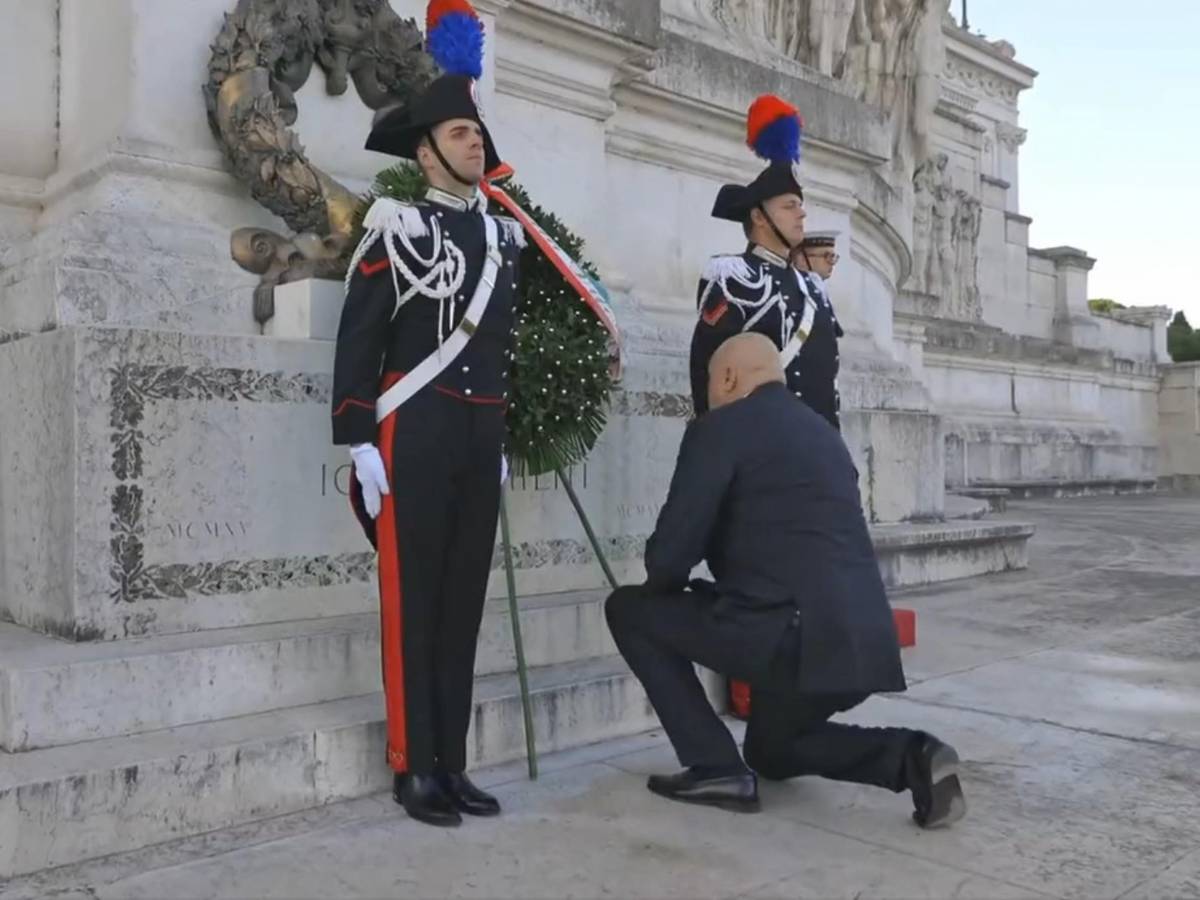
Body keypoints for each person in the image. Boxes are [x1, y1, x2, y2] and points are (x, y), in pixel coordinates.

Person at [606, 333, 965, 828]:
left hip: (786, 637)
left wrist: (672, 597)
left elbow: (669, 558)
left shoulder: (722, 428)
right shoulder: (824, 434)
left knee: (629, 610)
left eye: (712, 382)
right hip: (863, 642)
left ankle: (714, 767)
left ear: (728, 378)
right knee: (772, 751)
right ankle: (913, 756)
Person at [331, 0, 526, 828]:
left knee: (462, 603)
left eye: (476, 133)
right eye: (457, 134)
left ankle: (453, 759)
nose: (473, 142)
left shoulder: (508, 238)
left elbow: (501, 349)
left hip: (479, 435)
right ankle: (414, 765)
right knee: (413, 604)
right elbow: (360, 337)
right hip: (413, 430)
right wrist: (356, 438)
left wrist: (503, 434)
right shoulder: (395, 226)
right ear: (424, 150)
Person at [690, 95, 844, 430]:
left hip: (818, 454)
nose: (801, 212)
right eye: (789, 206)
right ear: (759, 217)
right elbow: (709, 375)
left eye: (800, 205)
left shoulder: (813, 287)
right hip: (762, 456)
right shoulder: (733, 277)